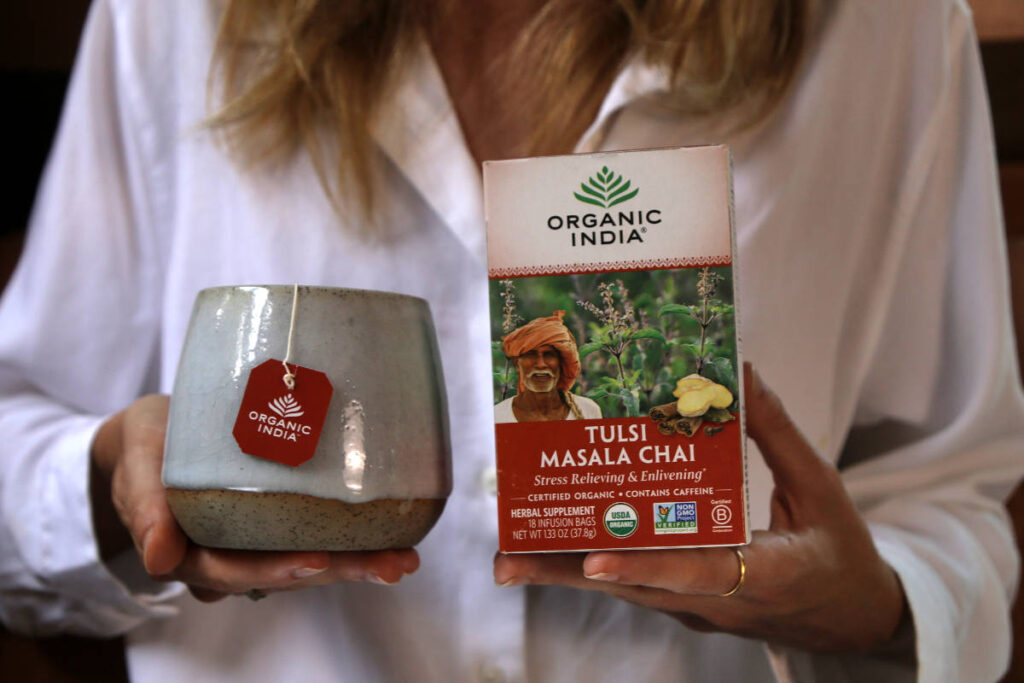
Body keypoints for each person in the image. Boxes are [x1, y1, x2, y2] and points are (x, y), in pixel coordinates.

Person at [1, 0, 1022, 681]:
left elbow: (949, 490)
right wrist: (107, 481)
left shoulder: (879, 23)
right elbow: (16, 445)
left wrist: (873, 605)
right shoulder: (174, 17)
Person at [494, 311, 602, 423]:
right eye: (531, 354)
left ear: (561, 362)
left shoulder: (588, 411)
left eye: (549, 354)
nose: (541, 364)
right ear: (517, 363)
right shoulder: (498, 416)